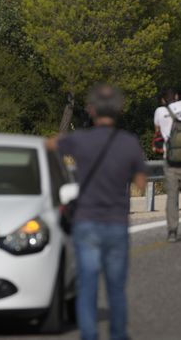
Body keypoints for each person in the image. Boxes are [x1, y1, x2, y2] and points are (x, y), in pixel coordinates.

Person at [47, 84, 148, 340]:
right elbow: (141, 183)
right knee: (116, 288)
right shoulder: (129, 142)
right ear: (118, 110)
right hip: (115, 223)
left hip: (86, 221)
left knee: (87, 286)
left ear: (90, 110)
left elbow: (50, 145)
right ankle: (117, 335)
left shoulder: (80, 140)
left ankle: (89, 335)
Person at [153, 89, 181, 243]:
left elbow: (157, 133)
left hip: (170, 160)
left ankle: (172, 231)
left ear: (163, 100)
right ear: (177, 96)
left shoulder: (160, 111)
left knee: (172, 197)